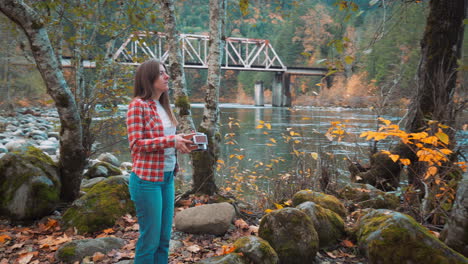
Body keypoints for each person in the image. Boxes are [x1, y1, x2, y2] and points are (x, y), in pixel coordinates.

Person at [126, 58, 194, 263]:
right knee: (150, 241)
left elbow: (164, 144)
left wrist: (182, 143)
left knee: (164, 240)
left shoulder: (163, 105)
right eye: (161, 73)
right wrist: (171, 140)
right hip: (147, 181)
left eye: (166, 72)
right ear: (148, 78)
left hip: (167, 179)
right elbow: (137, 144)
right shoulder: (137, 106)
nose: (167, 76)